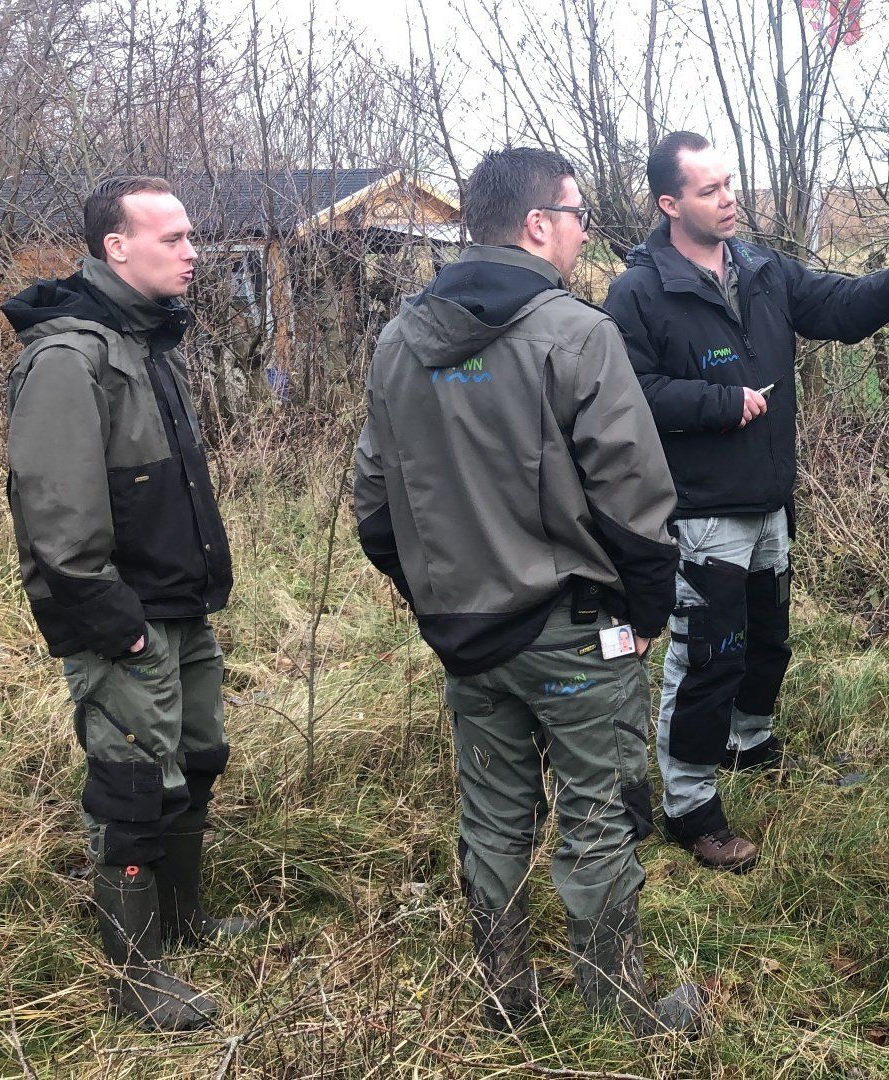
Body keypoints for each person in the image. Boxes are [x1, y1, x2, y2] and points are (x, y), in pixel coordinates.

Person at [353, 147, 705, 1035]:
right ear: (538, 224)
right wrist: (647, 608)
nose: (585, 232)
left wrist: (438, 593)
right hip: (574, 632)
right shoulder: (576, 333)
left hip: (464, 634)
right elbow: (633, 498)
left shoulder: (399, 341)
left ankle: (505, 1001)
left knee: (493, 818)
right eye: (578, 214)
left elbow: (375, 510)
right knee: (598, 814)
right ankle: (618, 1011)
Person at [604, 131, 889, 872]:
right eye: (711, 190)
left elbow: (835, 306)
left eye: (730, 184)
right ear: (669, 204)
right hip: (702, 511)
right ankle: (690, 805)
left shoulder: (760, 269)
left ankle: (748, 743)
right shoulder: (639, 292)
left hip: (769, 501)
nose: (730, 200)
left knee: (767, 641)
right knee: (707, 656)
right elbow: (629, 395)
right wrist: (720, 404)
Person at [3, 175, 253, 1031]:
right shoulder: (69, 358)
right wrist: (123, 631)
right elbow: (57, 519)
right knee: (134, 786)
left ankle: (181, 922)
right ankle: (136, 977)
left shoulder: (147, 343)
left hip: (180, 608)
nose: (193, 253)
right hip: (127, 624)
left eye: (191, 237)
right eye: (173, 238)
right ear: (117, 247)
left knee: (199, 758)